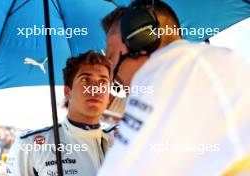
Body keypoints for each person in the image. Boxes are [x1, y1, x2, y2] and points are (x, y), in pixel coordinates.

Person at [98, 1, 250, 175]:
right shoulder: (203, 63)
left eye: (110, 54)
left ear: (141, 36)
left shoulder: (167, 69)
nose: (109, 69)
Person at [6, 51, 114, 176]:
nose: (94, 88)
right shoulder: (30, 144)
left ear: (109, 96)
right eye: (85, 79)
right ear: (67, 92)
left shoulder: (125, 139)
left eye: (103, 82)